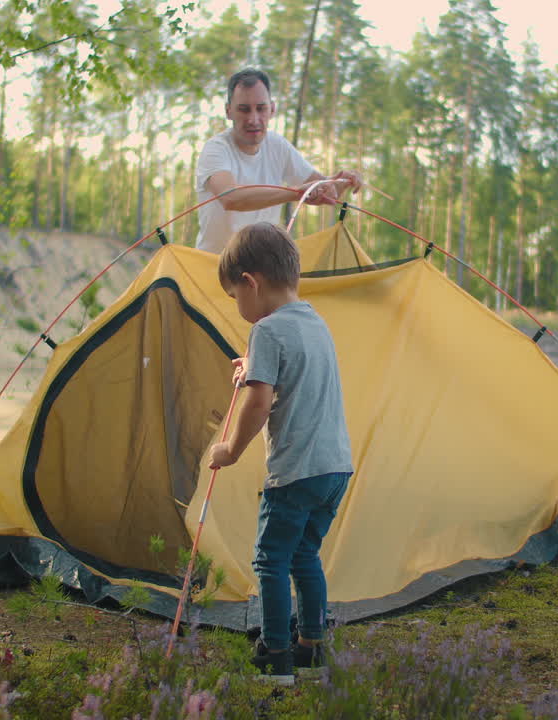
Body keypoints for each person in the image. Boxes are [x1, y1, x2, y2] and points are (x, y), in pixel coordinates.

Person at [209, 222, 355, 685]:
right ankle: (312, 646)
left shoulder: (267, 331)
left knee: (270, 560)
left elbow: (259, 401)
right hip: (334, 469)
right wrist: (254, 369)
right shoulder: (316, 320)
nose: (239, 308)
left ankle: (275, 655)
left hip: (294, 473)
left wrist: (229, 449)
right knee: (304, 555)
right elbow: (290, 376)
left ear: (251, 282)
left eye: (235, 297)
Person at [194, 68, 363, 253]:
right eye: (244, 109)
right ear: (228, 111)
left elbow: (323, 191)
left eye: (261, 108)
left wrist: (341, 182)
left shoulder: (277, 146)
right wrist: (297, 193)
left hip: (263, 269)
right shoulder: (216, 149)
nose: (253, 119)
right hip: (213, 268)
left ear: (272, 109)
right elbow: (231, 198)